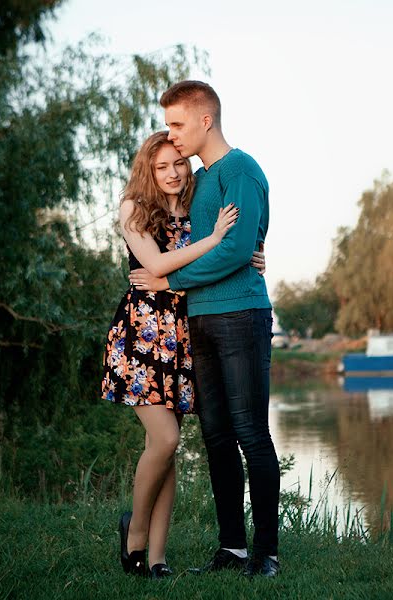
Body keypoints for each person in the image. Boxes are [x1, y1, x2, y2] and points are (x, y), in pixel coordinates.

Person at [129, 80, 281, 578]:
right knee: (215, 435)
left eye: (176, 124)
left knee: (250, 434)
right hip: (199, 319)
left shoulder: (241, 168)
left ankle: (266, 554)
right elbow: (207, 241)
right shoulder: (198, 179)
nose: (171, 136)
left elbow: (237, 249)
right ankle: (231, 549)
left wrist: (168, 278)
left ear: (204, 121)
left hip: (241, 316)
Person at [101, 130, 264, 579]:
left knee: (165, 448)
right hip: (142, 336)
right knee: (166, 439)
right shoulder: (134, 209)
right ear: (147, 171)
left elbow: (226, 255)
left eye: (178, 164)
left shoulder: (196, 207)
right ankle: (133, 530)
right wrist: (214, 240)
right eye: (162, 167)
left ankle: (156, 558)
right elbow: (155, 266)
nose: (173, 173)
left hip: (182, 334)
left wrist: (251, 255)